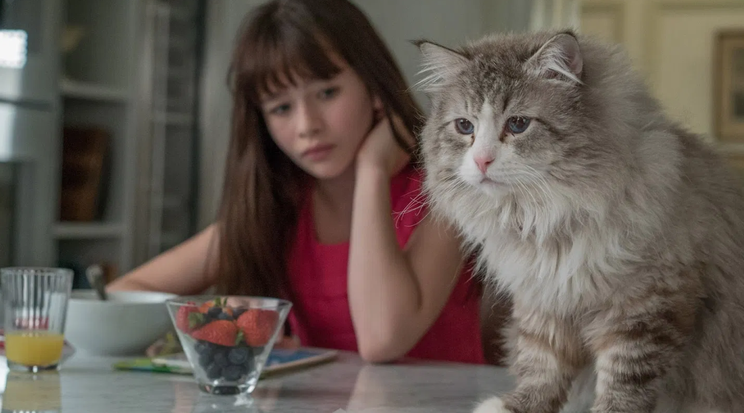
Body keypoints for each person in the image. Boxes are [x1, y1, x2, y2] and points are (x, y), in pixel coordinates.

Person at [109, 0, 503, 365]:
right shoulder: (280, 207)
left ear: (373, 87)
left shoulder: (449, 190)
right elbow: (123, 293)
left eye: (327, 92)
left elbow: (382, 338)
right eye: (281, 107)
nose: (307, 126)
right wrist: (220, 326)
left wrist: (371, 170)